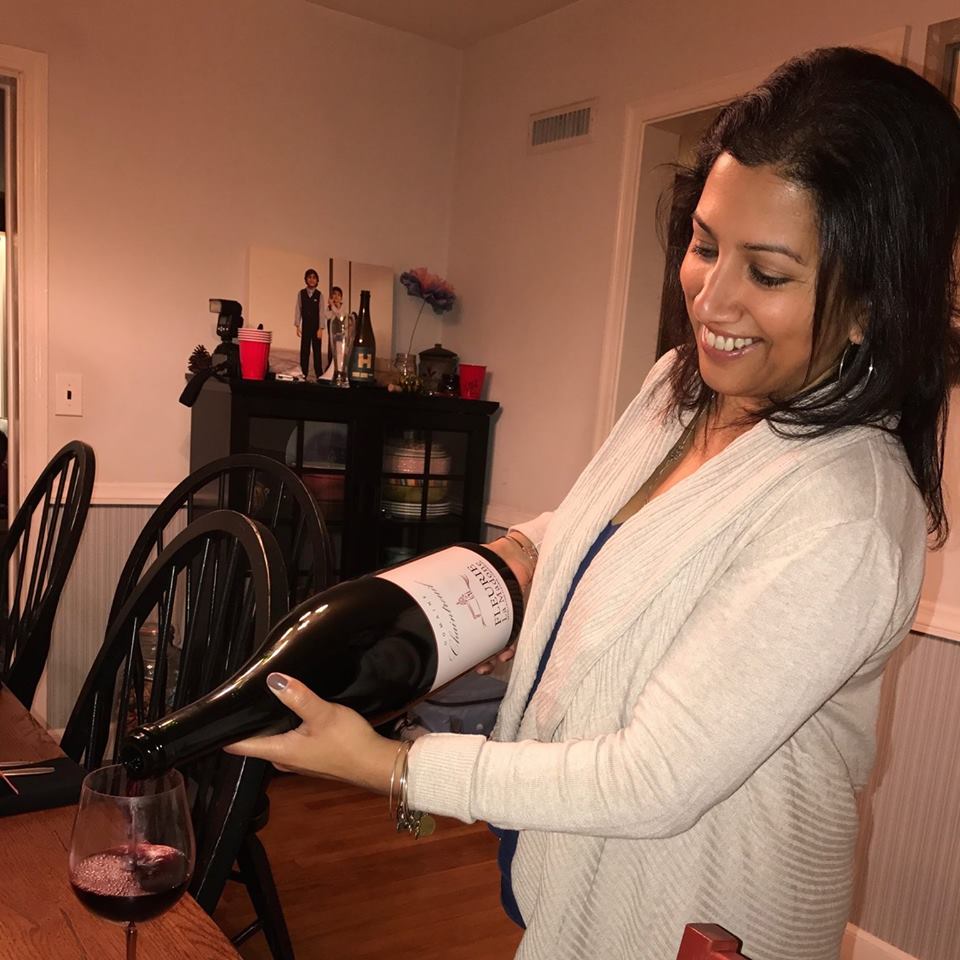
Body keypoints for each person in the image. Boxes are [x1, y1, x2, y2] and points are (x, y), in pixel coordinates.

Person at [225, 48, 960, 960]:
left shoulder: (844, 513)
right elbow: (594, 535)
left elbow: (653, 778)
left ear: (870, 305)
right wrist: (487, 570)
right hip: (576, 869)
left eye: (768, 274)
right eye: (704, 245)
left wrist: (393, 764)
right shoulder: (677, 391)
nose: (711, 298)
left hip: (704, 918)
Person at [294, 268, 324, 379]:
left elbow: (321, 312)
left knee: (317, 351)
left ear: (317, 280)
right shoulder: (301, 293)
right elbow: (298, 309)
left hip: (316, 327)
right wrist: (297, 325)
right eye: (309, 277)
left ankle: (319, 374)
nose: (312, 280)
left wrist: (321, 328)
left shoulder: (319, 295)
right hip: (305, 326)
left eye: (314, 278)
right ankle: (303, 373)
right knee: (304, 350)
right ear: (306, 279)